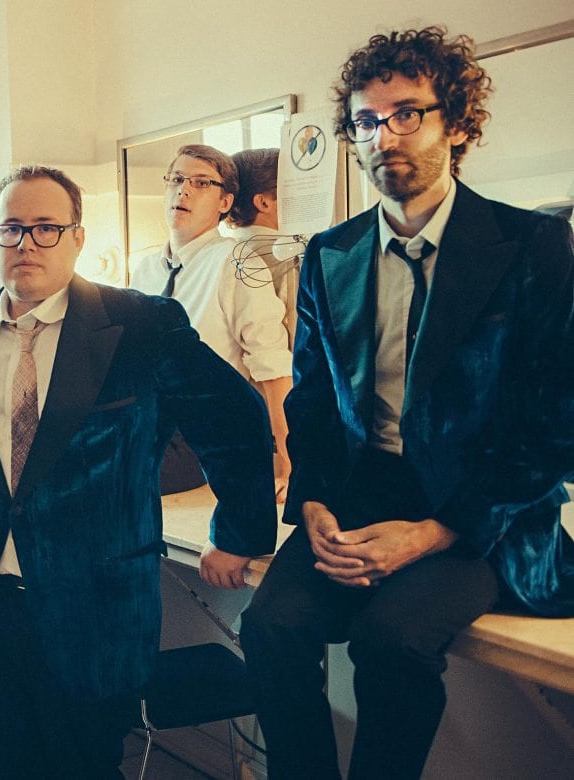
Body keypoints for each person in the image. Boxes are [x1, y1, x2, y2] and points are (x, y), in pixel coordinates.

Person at [239, 27, 574, 780]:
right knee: (270, 627)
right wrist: (313, 501)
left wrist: (432, 533)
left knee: (390, 641)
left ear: (456, 124)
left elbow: (555, 423)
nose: (384, 136)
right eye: (366, 120)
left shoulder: (532, 245)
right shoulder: (331, 253)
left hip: (482, 510)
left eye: (407, 114)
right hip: (356, 497)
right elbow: (315, 401)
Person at [0, 165, 278, 779]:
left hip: (92, 610)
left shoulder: (140, 324)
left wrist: (239, 532)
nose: (26, 243)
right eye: (11, 228)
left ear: (77, 237)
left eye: (46, 228)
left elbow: (235, 419)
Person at [131, 145, 294, 501]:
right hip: (145, 420)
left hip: (202, 434)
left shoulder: (236, 261)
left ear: (224, 202)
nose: (183, 190)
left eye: (201, 183)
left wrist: (285, 460)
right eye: (176, 179)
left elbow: (272, 366)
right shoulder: (144, 269)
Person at [227, 147, 299, 346]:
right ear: (263, 202)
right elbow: (298, 338)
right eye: (291, 189)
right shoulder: (289, 259)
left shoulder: (219, 255)